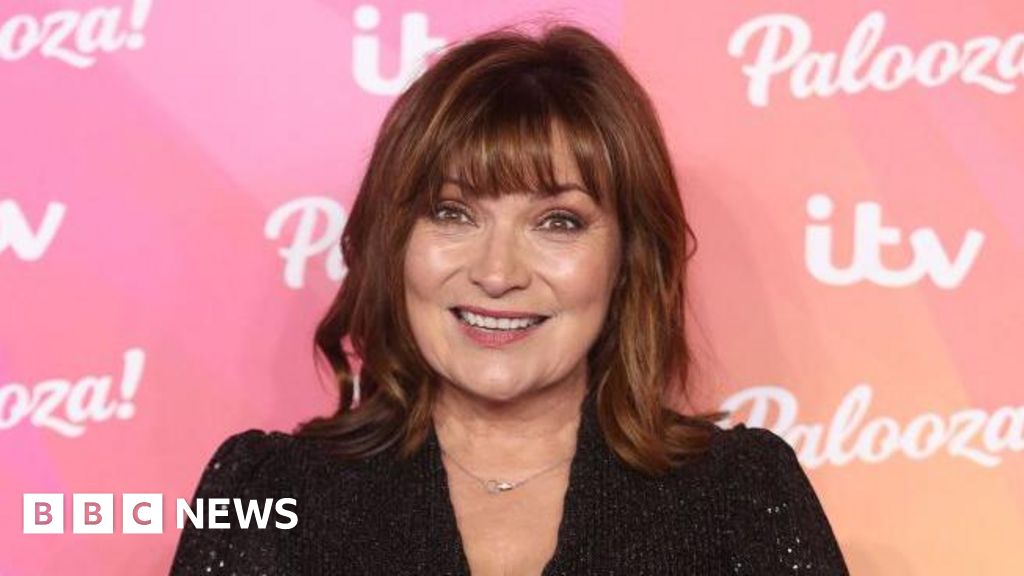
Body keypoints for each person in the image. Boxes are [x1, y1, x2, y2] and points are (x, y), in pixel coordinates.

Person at [170, 23, 849, 576]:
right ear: (394, 244)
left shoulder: (740, 496)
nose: (497, 274)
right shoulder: (263, 494)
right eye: (452, 213)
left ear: (627, 260)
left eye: (559, 222)